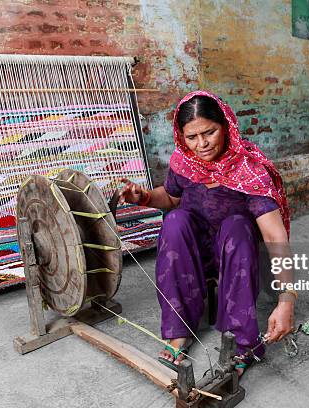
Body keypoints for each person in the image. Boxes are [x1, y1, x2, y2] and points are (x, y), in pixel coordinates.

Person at [118, 90, 296, 375]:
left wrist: (287, 299)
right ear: (182, 136)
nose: (201, 144)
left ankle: (241, 342)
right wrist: (146, 198)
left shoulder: (248, 170)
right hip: (194, 254)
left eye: (209, 132)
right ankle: (179, 331)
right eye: (191, 137)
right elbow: (172, 198)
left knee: (237, 226)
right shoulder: (184, 162)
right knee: (175, 220)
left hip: (238, 254)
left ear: (225, 125)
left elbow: (275, 238)